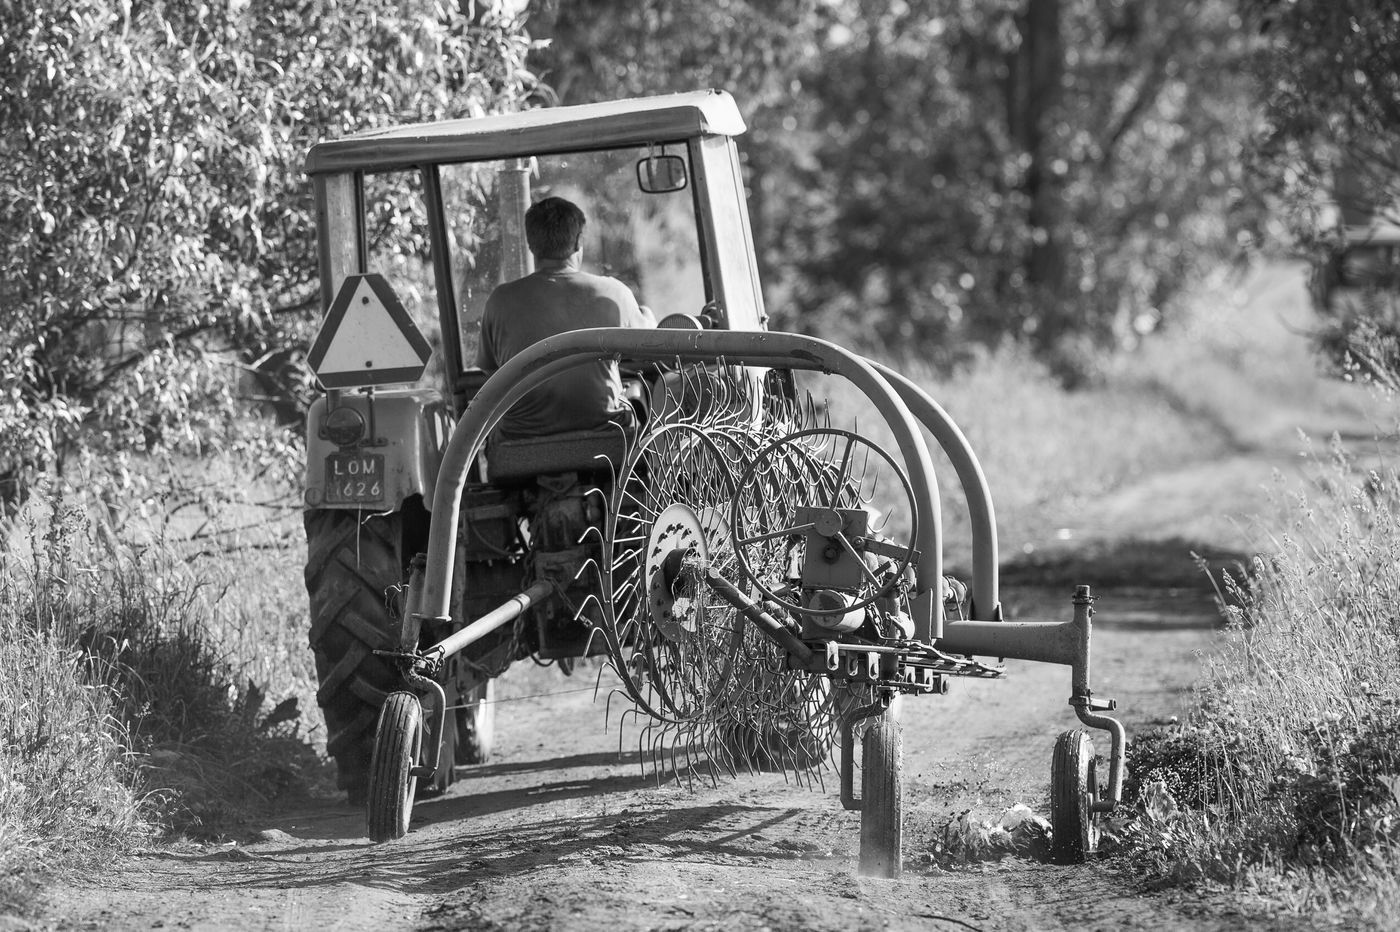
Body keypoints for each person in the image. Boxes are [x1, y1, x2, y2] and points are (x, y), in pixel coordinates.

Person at [476, 196, 655, 439]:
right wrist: (647, 315)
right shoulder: (614, 293)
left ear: (530, 244)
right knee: (639, 396)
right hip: (606, 434)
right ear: (579, 242)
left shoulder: (499, 300)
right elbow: (651, 348)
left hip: (520, 441)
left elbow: (490, 371)